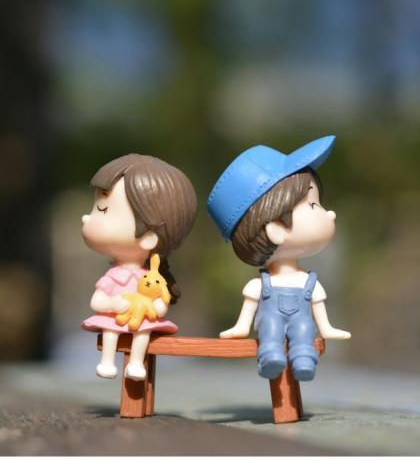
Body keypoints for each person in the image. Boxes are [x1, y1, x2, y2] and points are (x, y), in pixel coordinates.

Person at [208, 135, 350, 382]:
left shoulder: (308, 281)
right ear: (276, 228)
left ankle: (304, 359)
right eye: (313, 204)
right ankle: (270, 357)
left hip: (301, 319)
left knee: (304, 328)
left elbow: (318, 309)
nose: (330, 213)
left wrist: (326, 328)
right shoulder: (260, 284)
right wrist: (241, 327)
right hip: (270, 319)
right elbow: (249, 309)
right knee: (269, 328)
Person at [80, 154, 196, 381]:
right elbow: (97, 302)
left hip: (141, 320)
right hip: (117, 319)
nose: (86, 218)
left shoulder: (152, 278)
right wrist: (115, 304)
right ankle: (107, 362)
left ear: (149, 237)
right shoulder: (115, 276)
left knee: (143, 333)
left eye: (102, 210)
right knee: (110, 331)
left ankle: (136, 363)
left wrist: (153, 308)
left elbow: (161, 305)